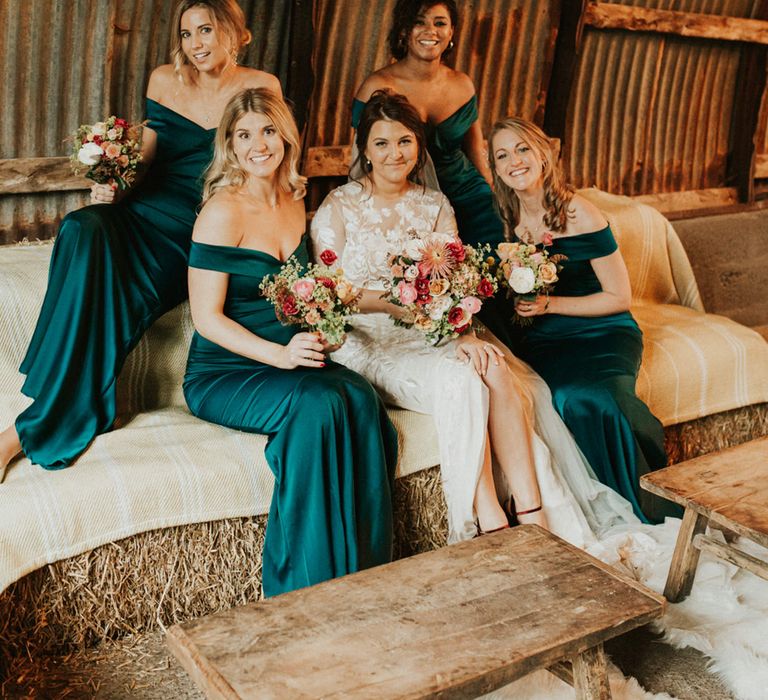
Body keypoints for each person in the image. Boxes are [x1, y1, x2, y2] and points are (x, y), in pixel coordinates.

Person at [311, 90, 636, 545]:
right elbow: (332, 292)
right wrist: (389, 303)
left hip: (431, 328)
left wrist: (461, 330)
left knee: (495, 367)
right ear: (363, 149)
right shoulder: (338, 208)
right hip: (370, 338)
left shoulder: (435, 205)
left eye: (404, 141)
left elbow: (454, 281)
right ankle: (485, 520)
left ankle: (533, 509)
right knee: (462, 382)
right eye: (381, 143)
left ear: (419, 147)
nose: (393, 153)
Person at [0, 0, 280, 481]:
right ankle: (90, 397)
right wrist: (115, 177)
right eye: (187, 34)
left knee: (118, 285)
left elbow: (264, 162)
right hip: (146, 207)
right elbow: (149, 156)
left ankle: (19, 435)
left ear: (235, 32)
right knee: (84, 227)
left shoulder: (260, 87)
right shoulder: (163, 79)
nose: (195, 44)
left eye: (206, 30)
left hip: (201, 225)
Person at [183, 87, 398, 597]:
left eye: (268, 131)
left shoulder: (296, 197)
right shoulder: (221, 210)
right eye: (243, 135)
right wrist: (279, 355)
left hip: (291, 357)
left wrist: (331, 321)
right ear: (230, 147)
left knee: (358, 397)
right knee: (320, 404)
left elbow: (306, 291)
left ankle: (364, 572)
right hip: (226, 370)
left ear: (285, 137)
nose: (258, 144)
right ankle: (302, 585)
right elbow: (206, 319)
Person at [487, 117, 679, 523]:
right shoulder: (507, 219)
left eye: (522, 149)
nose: (514, 161)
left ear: (543, 153)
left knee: (596, 396)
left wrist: (549, 305)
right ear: (496, 168)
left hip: (602, 330)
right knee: (555, 397)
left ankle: (651, 501)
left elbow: (619, 297)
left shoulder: (580, 212)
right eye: (502, 155)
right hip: (543, 340)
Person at [353, 0, 503, 248]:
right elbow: (362, 152)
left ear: (451, 32)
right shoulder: (376, 85)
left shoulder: (462, 84)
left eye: (440, 23)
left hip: (470, 196)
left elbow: (476, 151)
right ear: (404, 30)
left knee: (491, 270)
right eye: (419, 22)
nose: (430, 31)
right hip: (410, 201)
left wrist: (496, 198)